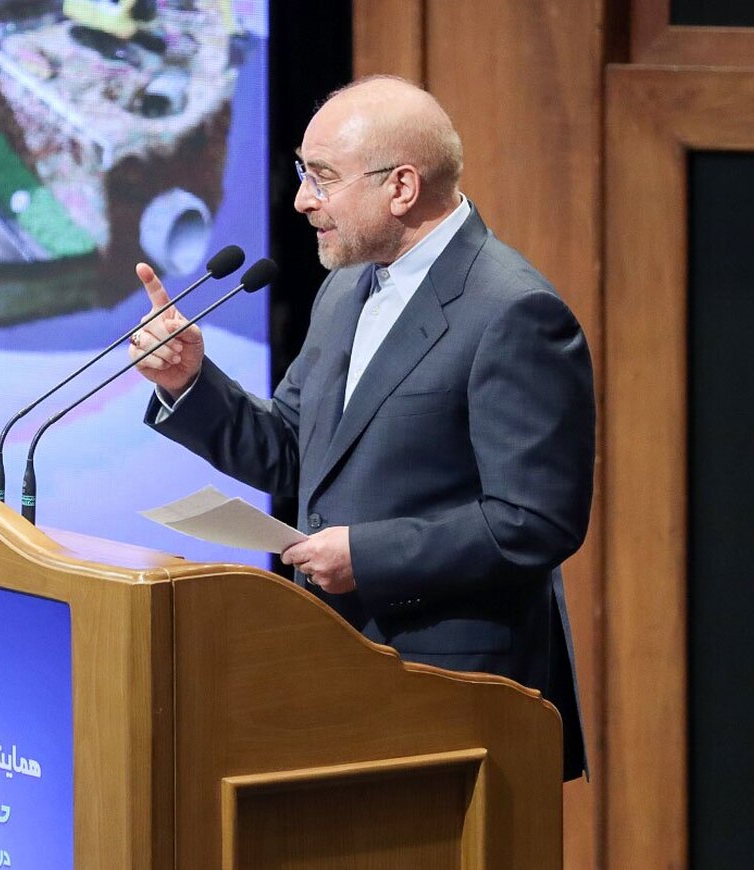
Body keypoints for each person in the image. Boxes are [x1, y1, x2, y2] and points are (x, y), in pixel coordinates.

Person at [127, 75, 594, 780]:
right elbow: (292, 450)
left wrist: (366, 555)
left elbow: (535, 521)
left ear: (400, 188)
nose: (301, 200)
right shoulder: (347, 286)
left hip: (454, 689)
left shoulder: (513, 311)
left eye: (321, 177)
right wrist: (187, 381)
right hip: (336, 663)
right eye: (301, 172)